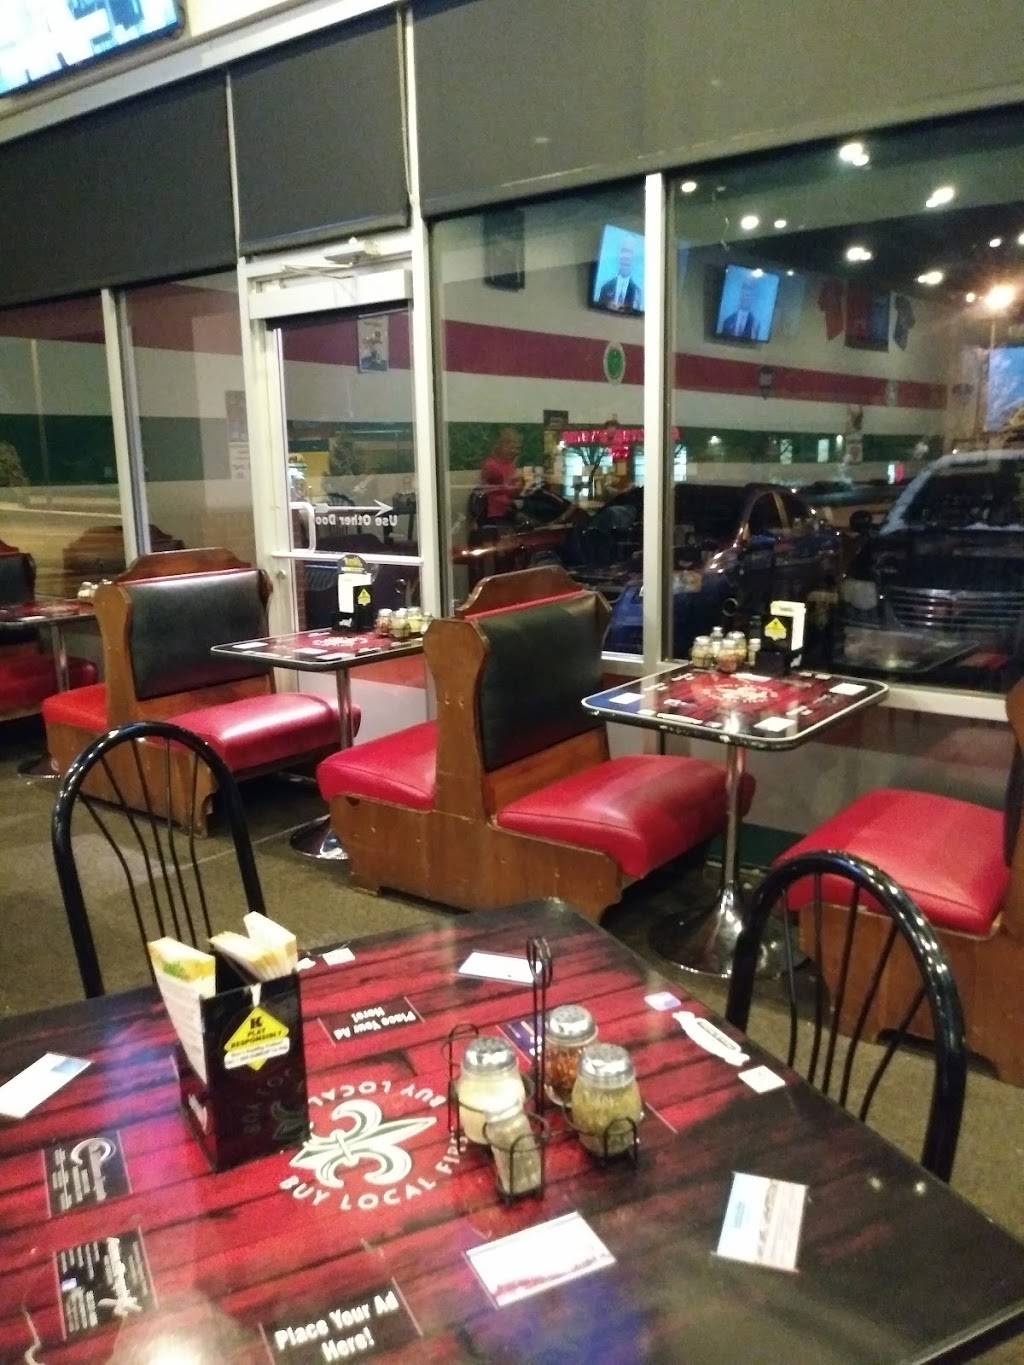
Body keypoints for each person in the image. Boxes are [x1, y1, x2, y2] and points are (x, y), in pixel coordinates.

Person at [478, 427, 524, 522]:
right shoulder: (491, 465)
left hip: (508, 511)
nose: (515, 451)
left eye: (517, 448)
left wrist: (520, 485)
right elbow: (487, 490)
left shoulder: (510, 465)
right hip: (494, 514)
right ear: (502, 445)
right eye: (512, 447)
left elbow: (511, 492)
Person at [597, 238, 642, 313]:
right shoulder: (605, 288)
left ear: (635, 258)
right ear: (619, 254)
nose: (626, 256)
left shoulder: (638, 293)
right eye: (624, 251)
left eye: (630, 252)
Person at [720, 275, 760, 340]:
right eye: (745, 288)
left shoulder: (755, 324)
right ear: (741, 292)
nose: (747, 293)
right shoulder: (727, 321)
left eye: (750, 289)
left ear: (754, 296)